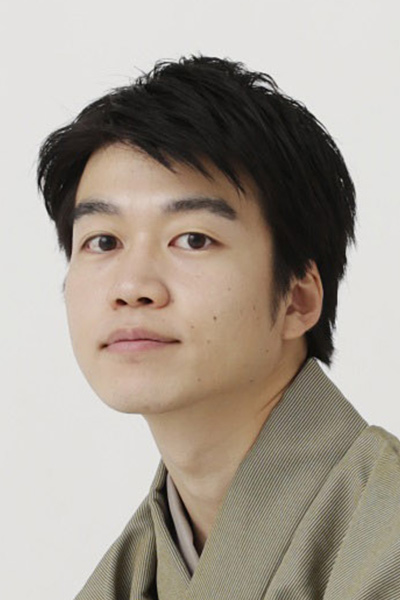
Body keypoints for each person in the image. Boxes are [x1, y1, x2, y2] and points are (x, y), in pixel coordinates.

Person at [37, 55, 400, 599]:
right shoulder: (129, 573)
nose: (132, 286)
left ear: (298, 298)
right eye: (103, 241)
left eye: (193, 239)